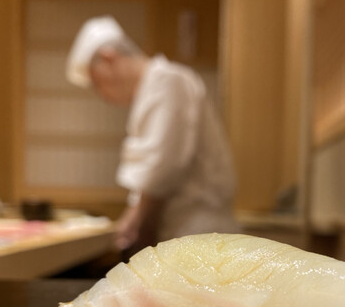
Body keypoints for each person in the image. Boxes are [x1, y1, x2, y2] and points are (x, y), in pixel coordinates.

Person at [66, 16, 239, 254]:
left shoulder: (168, 81)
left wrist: (133, 224)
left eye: (97, 83)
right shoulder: (152, 88)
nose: (102, 95)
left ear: (109, 58)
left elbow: (162, 168)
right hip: (182, 234)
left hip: (197, 233)